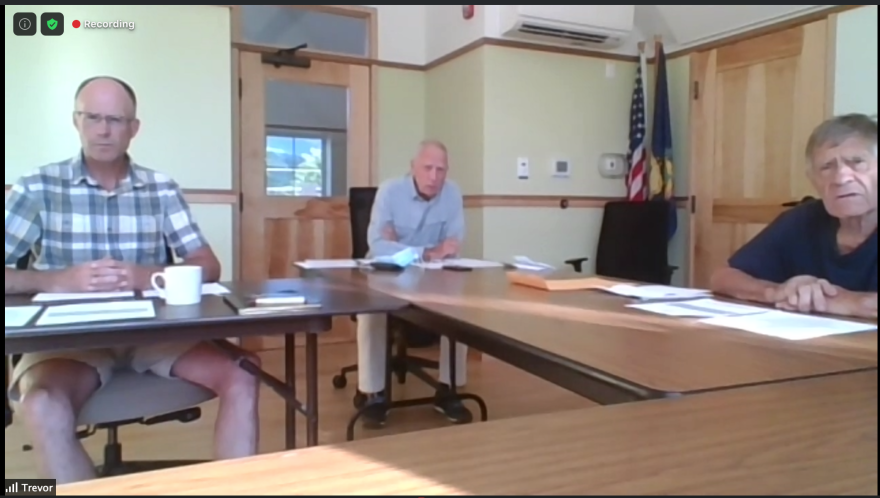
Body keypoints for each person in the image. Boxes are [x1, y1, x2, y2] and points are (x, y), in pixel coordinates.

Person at [4, 76, 260, 484]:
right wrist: (58, 280)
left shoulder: (160, 188)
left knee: (243, 373)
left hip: (153, 333)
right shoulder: (38, 186)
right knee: (42, 404)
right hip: (68, 339)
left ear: (133, 128)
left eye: (115, 119)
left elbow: (207, 265)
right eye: (93, 118)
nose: (103, 129)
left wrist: (148, 275)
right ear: (76, 121)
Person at [710, 113, 877, 319]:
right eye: (826, 167)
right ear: (813, 180)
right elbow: (723, 278)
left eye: (857, 162)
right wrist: (778, 292)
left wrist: (849, 302)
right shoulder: (801, 220)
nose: (841, 178)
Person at [356, 140, 471, 428]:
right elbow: (378, 245)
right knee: (372, 313)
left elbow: (453, 247)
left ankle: (448, 390)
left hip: (434, 277)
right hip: (387, 274)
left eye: (441, 170)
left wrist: (404, 245)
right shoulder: (390, 191)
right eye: (428, 168)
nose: (434, 177)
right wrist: (427, 251)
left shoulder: (453, 194)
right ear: (413, 168)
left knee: (461, 310)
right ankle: (374, 392)